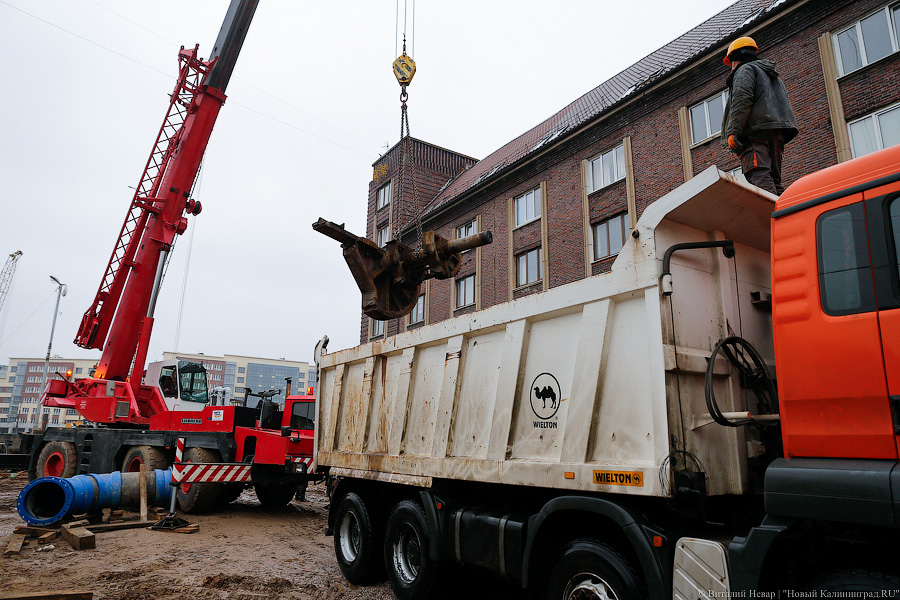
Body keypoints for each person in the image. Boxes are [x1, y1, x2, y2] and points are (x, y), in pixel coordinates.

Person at [721, 37, 798, 195]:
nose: (731, 68)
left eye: (731, 62)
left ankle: (770, 217)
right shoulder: (771, 75)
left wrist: (733, 131)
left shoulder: (744, 70)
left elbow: (742, 99)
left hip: (755, 133)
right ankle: (785, 216)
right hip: (776, 133)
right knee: (774, 180)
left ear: (737, 57)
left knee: (759, 176)